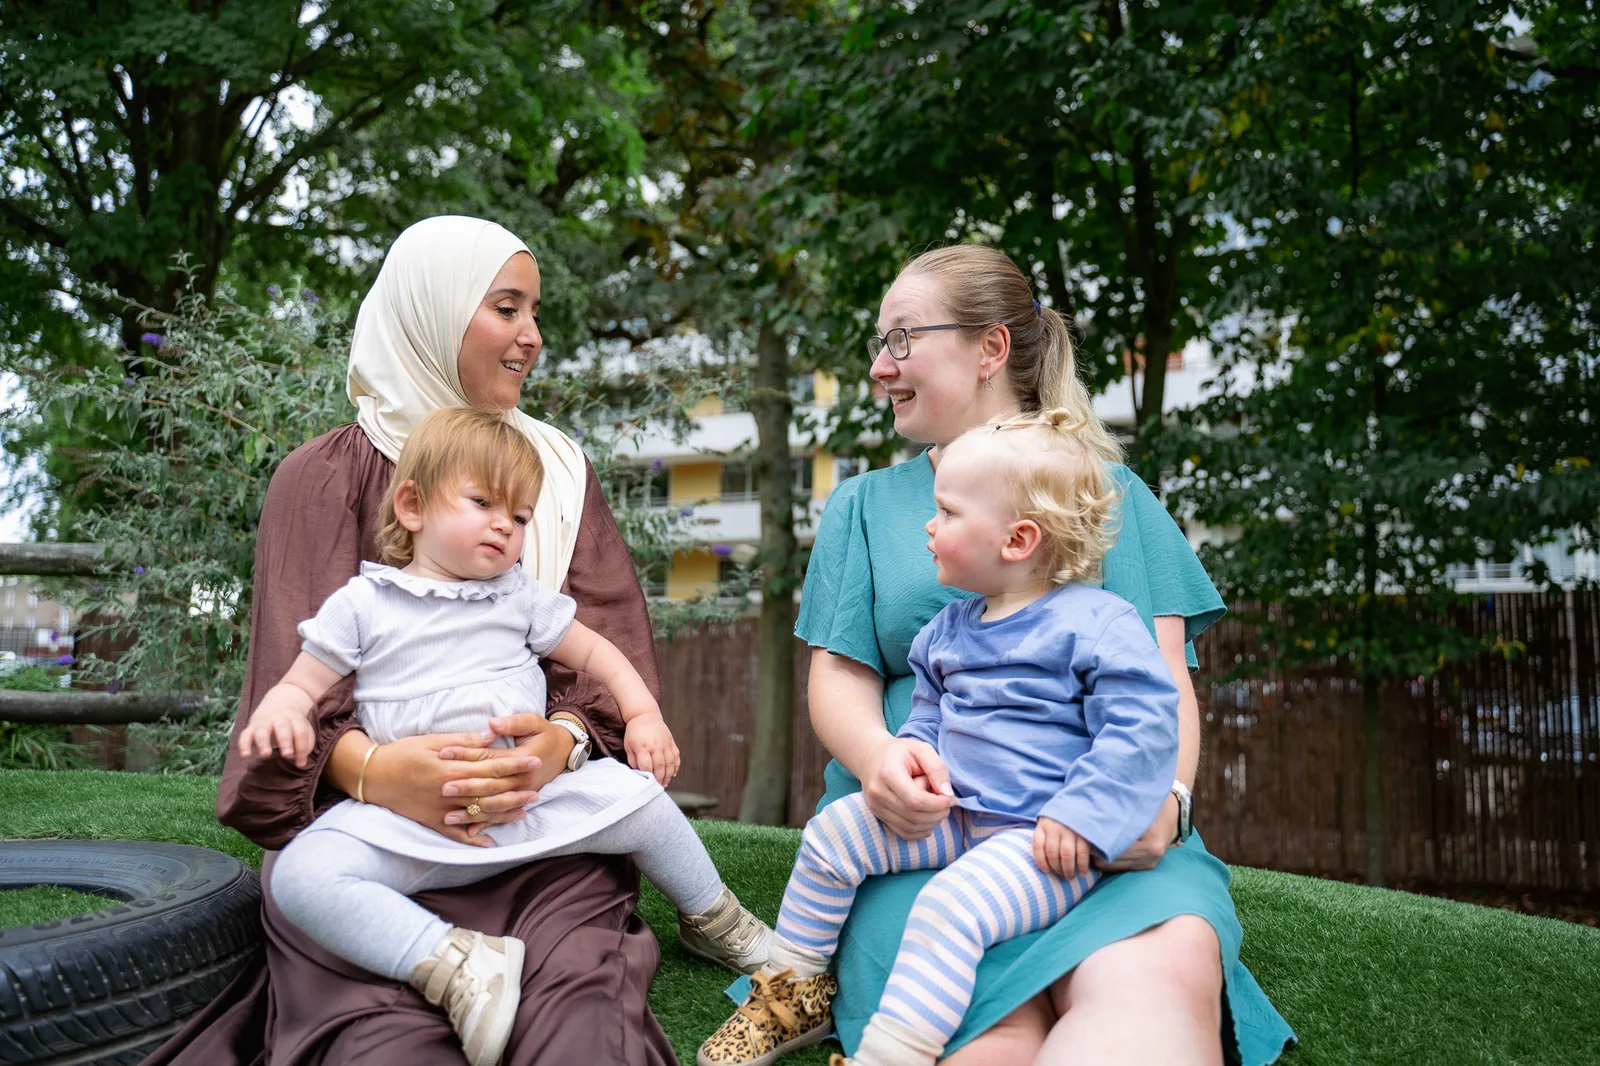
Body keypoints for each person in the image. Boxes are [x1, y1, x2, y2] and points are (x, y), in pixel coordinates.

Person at [722, 245, 1295, 1066]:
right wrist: (883, 759)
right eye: (880, 345)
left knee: (1154, 987)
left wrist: (1164, 808)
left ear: (990, 348)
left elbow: (1165, 680)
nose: (881, 368)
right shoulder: (863, 507)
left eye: (901, 340)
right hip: (922, 833)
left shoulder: (1107, 497)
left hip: (1105, 838)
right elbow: (840, 672)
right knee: (992, 1031)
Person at [143, 216, 689, 1066]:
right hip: (372, 842)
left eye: (535, 312)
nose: (532, 337)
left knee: (580, 1029)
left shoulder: (554, 475)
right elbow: (294, 691)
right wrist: (380, 772)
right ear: (428, 313)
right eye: (506, 308)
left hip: (539, 837)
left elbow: (609, 662)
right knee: (383, 1045)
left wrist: (558, 746)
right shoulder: (322, 477)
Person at [243, 406, 771, 1066]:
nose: (505, 524)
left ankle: (717, 919)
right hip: (416, 822)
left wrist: (643, 716)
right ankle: (454, 962)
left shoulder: (515, 596)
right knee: (301, 877)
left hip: (531, 805)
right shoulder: (364, 603)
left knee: (642, 803)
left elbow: (601, 655)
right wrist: (285, 710)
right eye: (482, 501)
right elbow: (303, 681)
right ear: (411, 505)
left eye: (520, 516)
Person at [699, 410, 1184, 1066]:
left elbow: (1145, 725)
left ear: (1016, 540)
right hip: (955, 816)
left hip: (1044, 840)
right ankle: (793, 993)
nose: (930, 526)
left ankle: (891, 1056)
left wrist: (1083, 815)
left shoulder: (1096, 623)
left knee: (949, 907)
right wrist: (917, 754)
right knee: (833, 839)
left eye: (949, 514)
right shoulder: (950, 628)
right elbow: (930, 712)